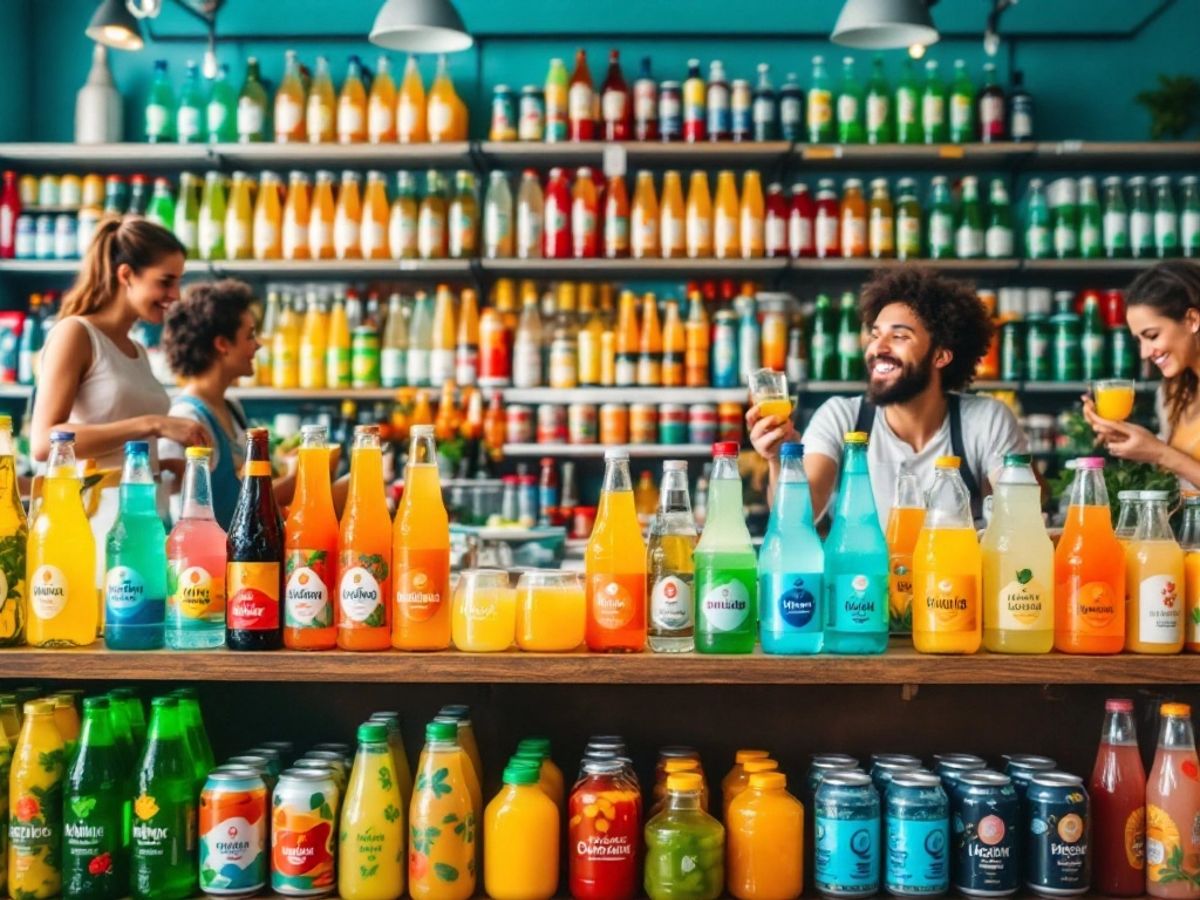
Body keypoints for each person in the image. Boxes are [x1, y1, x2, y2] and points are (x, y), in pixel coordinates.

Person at [747, 266, 1027, 525]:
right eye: (875, 335)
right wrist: (779, 460)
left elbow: (1016, 519)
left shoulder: (984, 420)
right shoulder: (841, 418)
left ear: (940, 355)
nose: (877, 347)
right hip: (864, 579)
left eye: (899, 336)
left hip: (951, 578)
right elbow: (796, 520)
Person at [30, 216, 209, 557]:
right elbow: (44, 442)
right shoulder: (76, 334)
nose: (175, 295)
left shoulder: (136, 349)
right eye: (166, 282)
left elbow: (120, 444)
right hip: (97, 524)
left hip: (145, 518)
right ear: (126, 275)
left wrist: (164, 467)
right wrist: (152, 425)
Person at [159, 279, 298, 527]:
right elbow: (185, 511)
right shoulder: (188, 416)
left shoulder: (231, 407)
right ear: (222, 344)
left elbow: (244, 493)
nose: (257, 345)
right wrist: (301, 476)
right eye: (250, 336)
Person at [1084, 260, 1200, 486]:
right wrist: (1126, 438)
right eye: (1139, 340)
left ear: (1193, 320)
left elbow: (1169, 457)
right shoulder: (1173, 393)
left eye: (1152, 335)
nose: (1145, 353)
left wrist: (1161, 453)